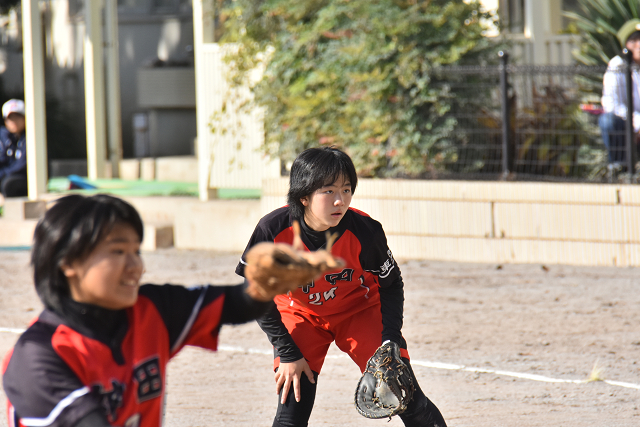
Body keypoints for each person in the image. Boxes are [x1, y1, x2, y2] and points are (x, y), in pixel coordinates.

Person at [2, 194, 277, 427]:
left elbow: (238, 303)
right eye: (119, 251)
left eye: (136, 250)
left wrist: (270, 280)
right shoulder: (39, 356)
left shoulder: (150, 308)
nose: (136, 266)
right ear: (68, 262)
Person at [235, 147, 447, 427]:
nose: (340, 200)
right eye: (329, 191)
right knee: (291, 410)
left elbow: (391, 284)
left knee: (406, 396)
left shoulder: (364, 231)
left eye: (346, 190)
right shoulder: (272, 231)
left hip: (359, 310)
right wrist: (287, 352)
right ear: (304, 196)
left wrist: (390, 339)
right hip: (301, 314)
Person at [599, 19, 640, 167]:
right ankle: (618, 166)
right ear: (626, 46)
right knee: (608, 121)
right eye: (634, 40)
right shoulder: (617, 65)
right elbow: (612, 104)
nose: (639, 45)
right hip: (626, 124)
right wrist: (637, 123)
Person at [0, 99, 27, 198]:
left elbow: (21, 166)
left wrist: (2, 175)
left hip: (25, 179)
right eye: (11, 118)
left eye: (18, 117)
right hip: (7, 176)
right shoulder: (4, 137)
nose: (14, 122)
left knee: (9, 184)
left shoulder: (31, 137)